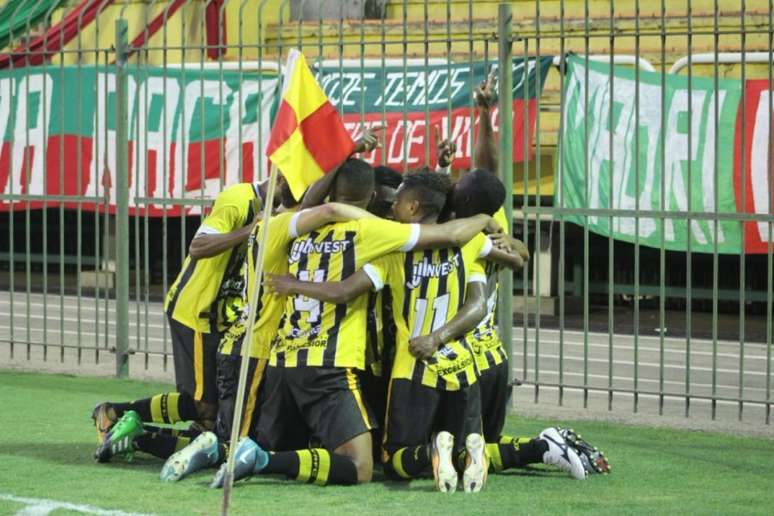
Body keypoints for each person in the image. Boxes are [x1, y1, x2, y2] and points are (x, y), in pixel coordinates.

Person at [210, 159, 509, 489]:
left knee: (289, 446)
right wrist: (485, 219)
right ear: (371, 195)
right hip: (340, 364)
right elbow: (458, 238)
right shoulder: (375, 234)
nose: (390, 204)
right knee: (364, 464)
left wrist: (293, 282)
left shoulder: (286, 226)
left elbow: (315, 210)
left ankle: (218, 449)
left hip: (282, 358)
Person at [93, 179, 267, 462]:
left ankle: (131, 431)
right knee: (205, 407)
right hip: (198, 312)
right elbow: (198, 246)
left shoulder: (271, 208)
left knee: (211, 420)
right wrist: (252, 230)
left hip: (223, 316)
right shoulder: (238, 200)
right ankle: (114, 414)